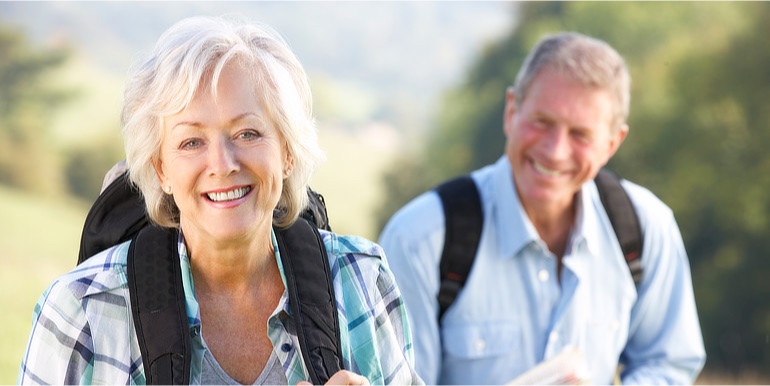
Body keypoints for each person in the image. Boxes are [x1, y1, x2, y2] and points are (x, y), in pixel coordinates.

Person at [19, 16, 421, 385]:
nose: (223, 164)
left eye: (248, 133)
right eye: (192, 141)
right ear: (161, 171)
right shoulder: (81, 312)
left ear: (287, 151)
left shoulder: (361, 279)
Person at [378, 32, 706, 385]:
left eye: (579, 134)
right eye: (542, 122)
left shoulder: (646, 228)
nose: (555, 150)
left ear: (612, 143)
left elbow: (667, 365)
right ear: (511, 112)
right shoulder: (419, 239)